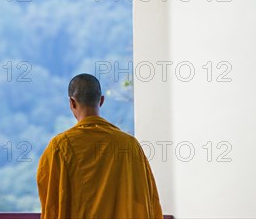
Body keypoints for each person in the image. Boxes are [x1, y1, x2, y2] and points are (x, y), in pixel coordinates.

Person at [37, 73, 163, 218]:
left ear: (72, 102)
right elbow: (147, 200)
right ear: (101, 100)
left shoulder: (60, 147)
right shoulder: (129, 145)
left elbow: (51, 204)